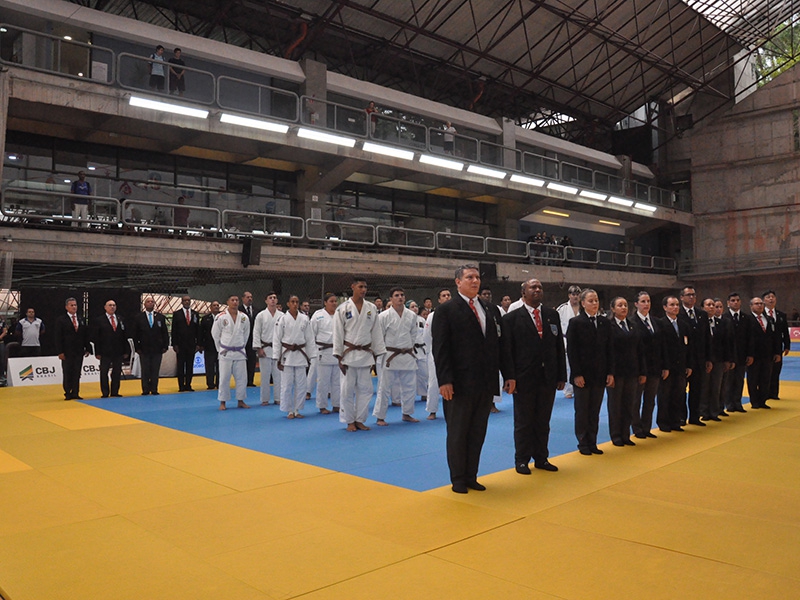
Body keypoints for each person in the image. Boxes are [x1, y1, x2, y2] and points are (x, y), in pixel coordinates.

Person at [432, 265, 501, 493]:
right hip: (459, 383)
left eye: (477, 277)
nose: (475, 281)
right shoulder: (447, 310)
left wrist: (505, 375)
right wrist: (445, 381)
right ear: (457, 282)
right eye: (469, 277)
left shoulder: (490, 309)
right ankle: (458, 478)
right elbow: (440, 349)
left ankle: (472, 475)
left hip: (484, 381)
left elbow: (496, 346)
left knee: (477, 432)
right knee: (458, 432)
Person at [500, 279, 565, 474]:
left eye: (540, 287)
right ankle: (521, 460)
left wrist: (561, 374)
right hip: (523, 377)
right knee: (524, 421)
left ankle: (541, 457)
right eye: (533, 287)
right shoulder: (511, 319)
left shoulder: (552, 315)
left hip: (548, 376)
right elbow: (507, 352)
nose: (537, 290)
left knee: (543, 421)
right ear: (523, 292)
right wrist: (509, 377)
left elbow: (558, 348)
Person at [333, 276, 386, 432]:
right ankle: (349, 420)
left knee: (366, 389)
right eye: (361, 287)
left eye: (365, 287)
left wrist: (377, 353)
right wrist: (338, 355)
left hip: (365, 354)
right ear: (353, 287)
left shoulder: (371, 308)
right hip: (348, 355)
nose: (363, 290)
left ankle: (360, 419)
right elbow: (337, 333)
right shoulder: (342, 309)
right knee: (347, 390)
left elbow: (376, 332)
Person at [567, 289, 614, 456]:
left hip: (600, 373)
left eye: (596, 300)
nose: (595, 303)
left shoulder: (604, 322)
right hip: (583, 374)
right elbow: (572, 351)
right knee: (582, 410)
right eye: (591, 301)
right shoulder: (576, 322)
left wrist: (610, 372)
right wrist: (576, 374)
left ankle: (592, 441)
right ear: (583, 303)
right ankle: (583, 442)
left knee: (594, 410)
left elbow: (609, 349)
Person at [373, 288, 420, 426]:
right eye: (396, 295)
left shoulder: (411, 316)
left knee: (409, 387)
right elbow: (378, 337)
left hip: (407, 354)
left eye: (402, 295)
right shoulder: (383, 316)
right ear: (391, 299)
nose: (400, 297)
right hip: (390, 356)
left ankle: (407, 413)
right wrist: (380, 354)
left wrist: (408, 348)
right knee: (384, 387)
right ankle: (380, 416)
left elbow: (413, 334)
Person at [606, 297, 646, 447]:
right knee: (615, 405)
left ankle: (625, 434)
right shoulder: (608, 326)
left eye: (625, 305)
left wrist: (642, 371)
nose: (623, 308)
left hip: (632, 370)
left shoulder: (632, 325)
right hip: (616, 371)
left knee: (629, 404)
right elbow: (607, 350)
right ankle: (616, 435)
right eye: (619, 305)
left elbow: (640, 350)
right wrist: (609, 372)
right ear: (613, 308)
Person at [630, 291, 666, 438]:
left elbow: (662, 346)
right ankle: (637, 428)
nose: (646, 304)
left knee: (650, 400)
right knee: (636, 400)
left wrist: (664, 366)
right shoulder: (632, 322)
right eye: (643, 302)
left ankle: (646, 427)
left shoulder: (656, 322)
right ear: (636, 304)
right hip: (640, 367)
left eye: (648, 301)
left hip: (655, 367)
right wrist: (639, 370)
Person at [273, 295, 315, 419]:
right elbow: (277, 339)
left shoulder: (304, 318)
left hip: (301, 354)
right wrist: (277, 357)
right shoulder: (282, 319)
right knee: (286, 385)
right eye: (292, 302)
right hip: (287, 354)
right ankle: (289, 410)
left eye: (297, 302)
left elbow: (310, 338)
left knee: (301, 385)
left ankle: (297, 409)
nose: (295, 304)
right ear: (288, 304)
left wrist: (312, 355)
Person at [657, 295, 694, 432]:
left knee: (678, 394)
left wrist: (689, 365)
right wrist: (664, 366)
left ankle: (675, 421)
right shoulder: (660, 324)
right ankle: (663, 422)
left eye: (677, 304)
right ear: (665, 307)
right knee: (664, 395)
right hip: (668, 366)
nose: (675, 307)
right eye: (672, 305)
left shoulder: (683, 325)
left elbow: (688, 347)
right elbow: (661, 348)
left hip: (681, 366)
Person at [678, 286, 711, 427]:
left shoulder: (702, 315)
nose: (691, 297)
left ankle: (695, 416)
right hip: (684, 359)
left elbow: (707, 338)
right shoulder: (677, 313)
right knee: (681, 390)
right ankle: (681, 417)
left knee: (697, 389)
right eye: (688, 295)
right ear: (682, 297)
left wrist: (708, 358)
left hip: (700, 359)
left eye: (693, 294)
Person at [212, 294, 251, 410]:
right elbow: (215, 334)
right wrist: (219, 349)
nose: (235, 302)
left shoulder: (244, 317)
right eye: (232, 300)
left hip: (239, 351)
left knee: (242, 378)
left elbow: (246, 334)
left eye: (236, 300)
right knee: (224, 378)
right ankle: (222, 402)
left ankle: (240, 400)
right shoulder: (221, 317)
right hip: (225, 351)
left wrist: (241, 346)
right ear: (227, 302)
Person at [699, 297, 735, 421]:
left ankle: (714, 411)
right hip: (704, 360)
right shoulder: (700, 323)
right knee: (704, 387)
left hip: (719, 360)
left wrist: (727, 360)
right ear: (703, 308)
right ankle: (703, 411)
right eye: (708, 305)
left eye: (713, 305)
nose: (712, 307)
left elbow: (726, 343)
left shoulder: (721, 323)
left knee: (716, 387)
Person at [747, 297, 781, 409]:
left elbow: (775, 337)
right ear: (751, 306)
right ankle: (754, 401)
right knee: (753, 379)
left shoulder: (769, 319)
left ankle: (762, 401)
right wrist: (749, 354)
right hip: (754, 355)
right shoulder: (747, 319)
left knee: (766, 378)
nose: (760, 305)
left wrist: (777, 352)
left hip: (768, 355)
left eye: (761, 303)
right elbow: (745, 339)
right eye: (756, 304)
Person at [54, 297, 91, 401]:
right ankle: (67, 392)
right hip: (67, 351)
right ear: (66, 307)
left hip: (79, 350)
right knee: (67, 372)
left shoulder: (81, 319)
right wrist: (60, 352)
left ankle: (76, 392)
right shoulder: (61, 320)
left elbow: (85, 335)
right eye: (72, 305)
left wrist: (87, 348)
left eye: (75, 305)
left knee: (77, 372)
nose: (74, 307)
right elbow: (58, 337)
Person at [721, 293, 753, 413]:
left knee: (739, 380)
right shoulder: (724, 318)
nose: (735, 302)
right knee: (728, 381)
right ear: (728, 303)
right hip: (729, 355)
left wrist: (750, 354)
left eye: (738, 300)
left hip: (742, 354)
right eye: (733, 300)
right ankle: (728, 403)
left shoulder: (746, 318)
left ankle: (737, 403)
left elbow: (750, 338)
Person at [91, 299, 130, 398]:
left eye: (114, 305)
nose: (112, 307)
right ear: (105, 307)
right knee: (104, 372)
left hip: (118, 350)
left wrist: (126, 350)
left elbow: (125, 336)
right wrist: (97, 352)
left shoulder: (121, 319)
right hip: (105, 351)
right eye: (110, 305)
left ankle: (115, 391)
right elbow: (96, 337)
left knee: (117, 372)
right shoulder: (99, 320)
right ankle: (105, 392)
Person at [132, 296, 169, 396]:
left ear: (154, 304)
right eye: (148, 302)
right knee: (145, 370)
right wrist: (137, 348)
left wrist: (165, 345)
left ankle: (154, 388)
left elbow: (165, 332)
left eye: (152, 302)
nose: (150, 303)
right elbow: (135, 334)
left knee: (155, 370)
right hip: (143, 349)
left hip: (157, 348)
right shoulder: (139, 317)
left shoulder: (160, 317)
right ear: (145, 304)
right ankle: (145, 389)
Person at [310, 293, 340, 414]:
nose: (334, 303)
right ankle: (322, 406)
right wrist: (312, 352)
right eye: (331, 301)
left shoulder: (339, 315)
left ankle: (337, 404)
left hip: (337, 351)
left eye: (335, 301)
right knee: (323, 381)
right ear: (325, 302)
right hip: (323, 350)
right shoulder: (318, 316)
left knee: (337, 382)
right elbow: (311, 334)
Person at [424, 288, 451, 420]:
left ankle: (453, 409)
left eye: (448, 295)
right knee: (434, 382)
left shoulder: (456, 313)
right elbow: (427, 337)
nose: (447, 297)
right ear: (439, 300)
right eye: (443, 296)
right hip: (436, 353)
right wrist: (432, 352)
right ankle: (432, 410)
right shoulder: (432, 316)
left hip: (454, 353)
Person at [253, 292, 283, 406]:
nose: (273, 300)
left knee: (278, 376)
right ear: (266, 301)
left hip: (278, 349)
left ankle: (278, 398)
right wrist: (258, 348)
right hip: (265, 348)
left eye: (275, 298)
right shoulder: (261, 315)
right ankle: (264, 399)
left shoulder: (282, 315)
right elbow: (256, 332)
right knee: (265, 376)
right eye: (270, 298)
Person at [762, 290, 791, 399]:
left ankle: (774, 394)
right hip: (765, 349)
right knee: (765, 372)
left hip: (778, 347)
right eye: (768, 297)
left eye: (773, 297)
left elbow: (785, 332)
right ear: (764, 300)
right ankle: (764, 394)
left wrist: (787, 345)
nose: (771, 299)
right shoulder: (761, 315)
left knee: (776, 371)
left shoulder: (781, 315)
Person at [479, 286, 503, 413]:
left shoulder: (495, 309)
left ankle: (493, 403)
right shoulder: (476, 309)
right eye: (484, 294)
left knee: (494, 378)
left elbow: (499, 326)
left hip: (493, 347)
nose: (487, 296)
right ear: (479, 295)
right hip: (479, 350)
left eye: (489, 294)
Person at [556, 285, 582, 399]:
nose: (575, 297)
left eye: (577, 294)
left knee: (580, 364)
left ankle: (579, 385)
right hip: (565, 339)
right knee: (567, 365)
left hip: (582, 340)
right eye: (573, 294)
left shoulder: (584, 307)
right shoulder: (562, 308)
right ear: (569, 295)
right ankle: (568, 390)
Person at [171, 295, 200, 392]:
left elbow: (197, 330)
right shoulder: (177, 314)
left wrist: (198, 344)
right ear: (182, 302)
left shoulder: (195, 314)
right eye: (185, 300)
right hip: (180, 344)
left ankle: (188, 384)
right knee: (180, 366)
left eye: (188, 300)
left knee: (190, 365)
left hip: (191, 344)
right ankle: (181, 386)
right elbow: (174, 330)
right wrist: (174, 344)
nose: (187, 302)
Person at [407, 300, 429, 403]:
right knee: (409, 375)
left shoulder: (422, 320)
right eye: (412, 307)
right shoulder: (405, 319)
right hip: (409, 350)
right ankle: (409, 396)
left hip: (421, 349)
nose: (415, 308)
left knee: (423, 373)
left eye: (416, 306)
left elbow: (427, 334)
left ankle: (424, 394)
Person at [200, 300, 220, 390]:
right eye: (214, 305)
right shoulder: (205, 319)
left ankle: (220, 383)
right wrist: (201, 345)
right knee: (209, 366)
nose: (216, 307)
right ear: (210, 308)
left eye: (217, 305)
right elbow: (201, 333)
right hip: (209, 346)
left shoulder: (222, 317)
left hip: (221, 346)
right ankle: (210, 384)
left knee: (220, 366)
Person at [240, 291, 258, 386]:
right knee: (242, 363)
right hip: (242, 341)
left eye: (251, 297)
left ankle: (250, 381)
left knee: (252, 362)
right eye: (247, 297)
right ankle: (242, 381)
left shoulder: (256, 311)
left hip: (253, 340)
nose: (249, 299)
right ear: (243, 298)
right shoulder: (239, 311)